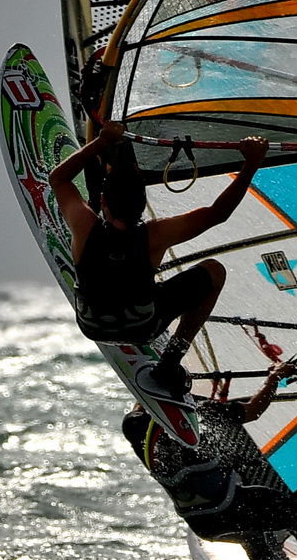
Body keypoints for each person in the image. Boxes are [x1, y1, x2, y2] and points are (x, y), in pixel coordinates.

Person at [49, 120, 270, 396]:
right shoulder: (157, 234)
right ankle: (171, 361)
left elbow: (58, 179)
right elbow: (218, 213)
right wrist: (252, 164)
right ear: (143, 203)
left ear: (103, 201)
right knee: (214, 271)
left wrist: (102, 142)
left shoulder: (84, 224)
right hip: (142, 327)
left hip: (91, 326)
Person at [121, 365, 297, 560]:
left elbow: (143, 405)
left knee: (251, 536)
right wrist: (274, 379)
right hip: (230, 508)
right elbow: (254, 410)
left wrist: (148, 385)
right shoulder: (204, 413)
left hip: (201, 524)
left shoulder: (134, 426)